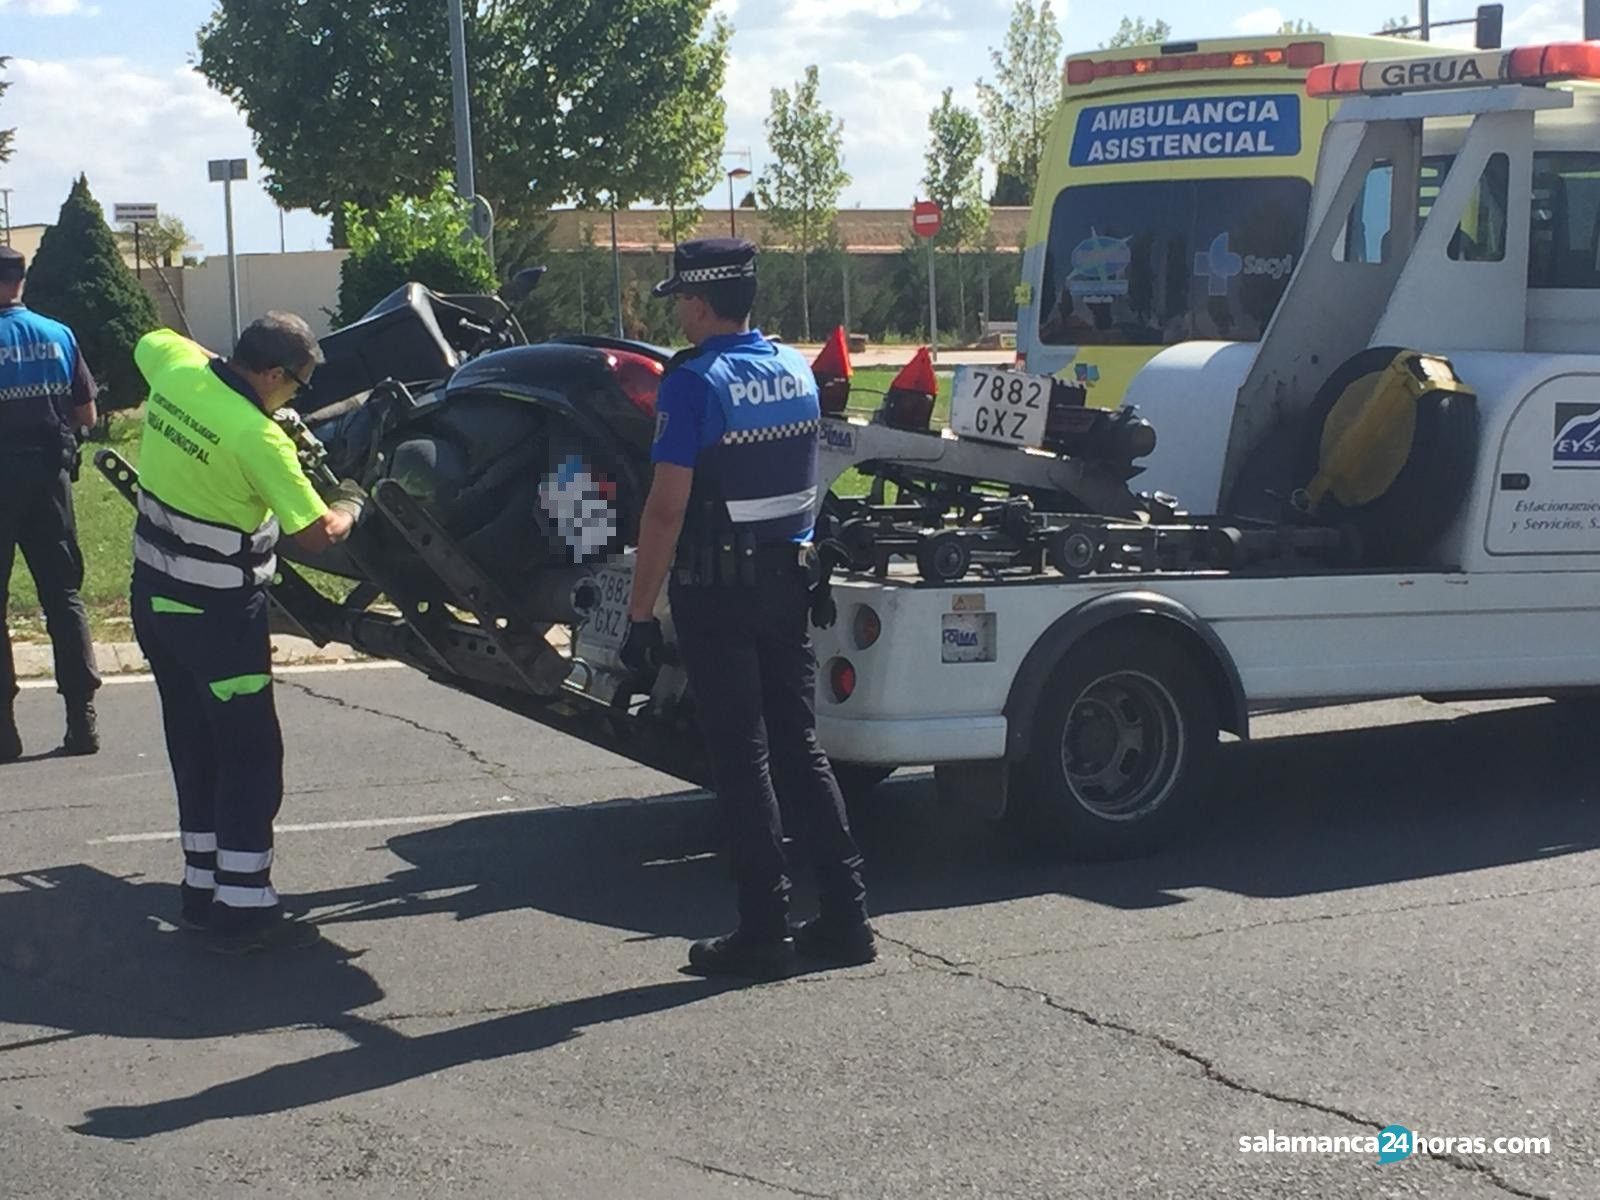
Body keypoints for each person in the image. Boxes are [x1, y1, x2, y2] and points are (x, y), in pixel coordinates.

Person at [620, 237, 873, 979]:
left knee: (742, 757)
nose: (682, 316)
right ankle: (848, 916)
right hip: (788, 583)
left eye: (682, 303)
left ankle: (764, 929)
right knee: (801, 747)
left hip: (717, 590)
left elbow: (666, 511)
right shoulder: (795, 368)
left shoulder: (695, 382)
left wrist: (640, 617)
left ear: (699, 302)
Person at [130, 313, 362, 952]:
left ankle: (199, 886)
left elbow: (152, 340)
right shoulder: (258, 439)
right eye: (295, 384)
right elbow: (316, 534)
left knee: (192, 740)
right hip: (218, 619)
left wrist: (228, 376)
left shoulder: (176, 373)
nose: (296, 397)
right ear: (269, 373)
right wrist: (351, 502)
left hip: (153, 602)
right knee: (250, 756)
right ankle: (244, 902)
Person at [0, 244, 102, 762]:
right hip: (49, 482)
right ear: (22, 281)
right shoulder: (57, 334)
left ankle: (3, 731)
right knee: (63, 597)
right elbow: (86, 413)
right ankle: (81, 721)